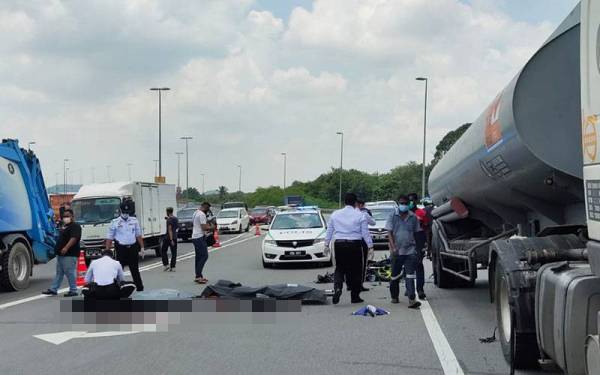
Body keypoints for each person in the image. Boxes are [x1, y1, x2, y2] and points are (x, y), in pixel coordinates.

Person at [325, 193, 374, 304]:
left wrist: (326, 244)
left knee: (340, 268)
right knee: (356, 270)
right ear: (355, 203)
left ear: (344, 202)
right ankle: (354, 296)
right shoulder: (360, 215)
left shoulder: (335, 214)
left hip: (339, 244)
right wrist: (370, 246)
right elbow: (365, 233)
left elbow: (329, 231)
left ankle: (338, 288)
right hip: (354, 244)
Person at [386, 195, 421, 308]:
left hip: (410, 250)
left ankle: (412, 299)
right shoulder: (392, 215)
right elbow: (389, 233)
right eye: (402, 203)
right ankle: (394, 296)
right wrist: (394, 248)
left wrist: (418, 248)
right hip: (397, 251)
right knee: (395, 276)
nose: (404, 205)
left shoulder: (413, 217)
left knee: (410, 275)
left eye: (406, 203)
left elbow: (417, 233)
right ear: (398, 203)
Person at [105, 199, 145, 292]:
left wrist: (142, 247)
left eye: (127, 212)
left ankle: (140, 288)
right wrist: (107, 252)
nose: (126, 214)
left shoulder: (134, 221)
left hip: (133, 248)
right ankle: (116, 287)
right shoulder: (115, 222)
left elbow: (138, 235)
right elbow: (109, 238)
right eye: (124, 212)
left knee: (135, 269)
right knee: (119, 269)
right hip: (121, 248)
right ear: (120, 211)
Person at [42, 209, 82, 297]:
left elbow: (74, 238)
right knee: (59, 273)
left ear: (72, 216)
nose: (65, 218)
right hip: (61, 254)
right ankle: (53, 289)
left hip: (69, 254)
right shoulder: (65, 227)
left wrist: (66, 247)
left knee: (70, 272)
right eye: (64, 216)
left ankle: (73, 290)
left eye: (67, 216)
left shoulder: (75, 226)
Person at [408, 192, 427, 300]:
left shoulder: (421, 212)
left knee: (419, 265)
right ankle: (409, 288)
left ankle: (420, 289)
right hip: (406, 242)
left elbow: (426, 228)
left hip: (419, 241)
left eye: (412, 200)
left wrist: (427, 243)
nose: (411, 202)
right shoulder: (403, 214)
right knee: (408, 266)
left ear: (416, 201)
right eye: (409, 201)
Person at [192, 202, 214, 284]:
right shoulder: (201, 214)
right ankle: (198, 276)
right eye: (208, 209)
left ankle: (199, 276)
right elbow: (204, 227)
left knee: (198, 257)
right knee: (204, 256)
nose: (207, 211)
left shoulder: (195, 212)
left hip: (194, 236)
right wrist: (211, 227)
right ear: (205, 207)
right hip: (199, 237)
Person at [356, 198, 375, 292]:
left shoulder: (349, 214)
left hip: (350, 241)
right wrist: (370, 246)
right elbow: (373, 223)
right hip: (362, 241)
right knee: (362, 264)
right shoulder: (364, 214)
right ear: (361, 205)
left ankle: (350, 284)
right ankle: (360, 285)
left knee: (351, 264)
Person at [161, 207, 179, 272]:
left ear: (167, 212)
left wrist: (171, 240)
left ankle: (166, 265)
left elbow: (169, 229)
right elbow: (176, 227)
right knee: (174, 252)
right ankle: (173, 266)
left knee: (163, 251)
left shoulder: (169, 220)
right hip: (175, 237)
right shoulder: (176, 219)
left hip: (168, 238)